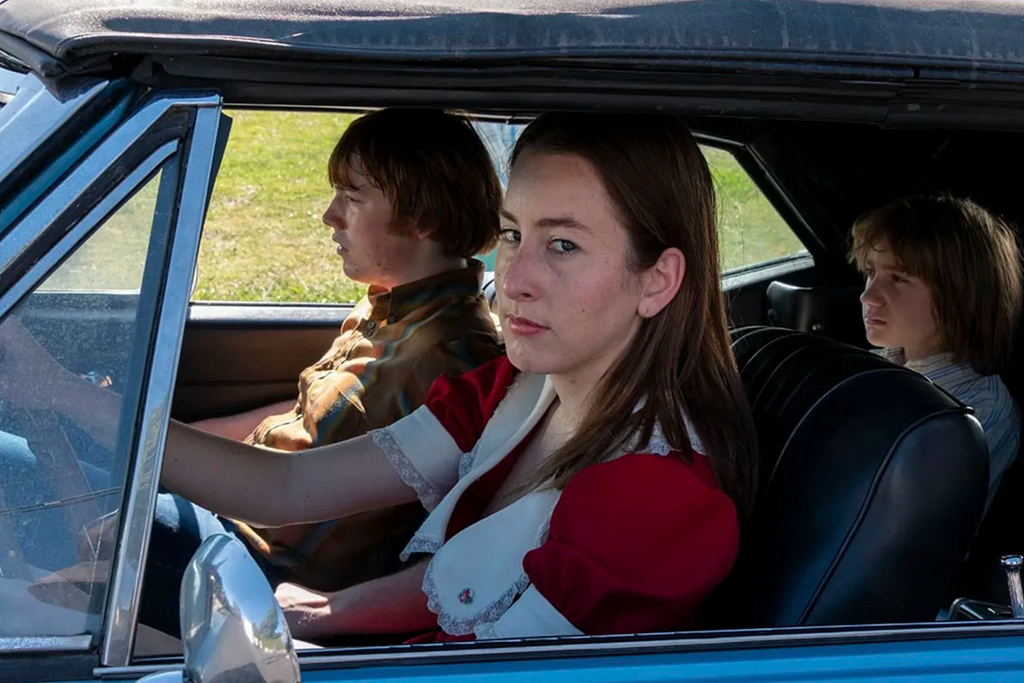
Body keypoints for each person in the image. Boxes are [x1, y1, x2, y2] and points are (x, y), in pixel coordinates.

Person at [159, 112, 760, 642]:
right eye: (513, 233)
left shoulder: (659, 503)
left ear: (656, 279)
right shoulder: (511, 389)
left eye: (564, 245)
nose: (513, 276)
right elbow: (286, 488)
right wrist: (122, 426)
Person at [0, 108, 504, 632]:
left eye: (352, 198)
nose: (330, 215)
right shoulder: (388, 303)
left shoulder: (448, 359)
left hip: (254, 567)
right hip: (235, 514)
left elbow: (296, 492)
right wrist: (181, 446)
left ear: (423, 217)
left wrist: (65, 396)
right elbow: (305, 418)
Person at [851, 194, 1023, 511]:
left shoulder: (979, 413)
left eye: (898, 278)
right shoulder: (868, 368)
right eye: (870, 273)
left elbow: (923, 531)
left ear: (960, 297)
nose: (868, 295)